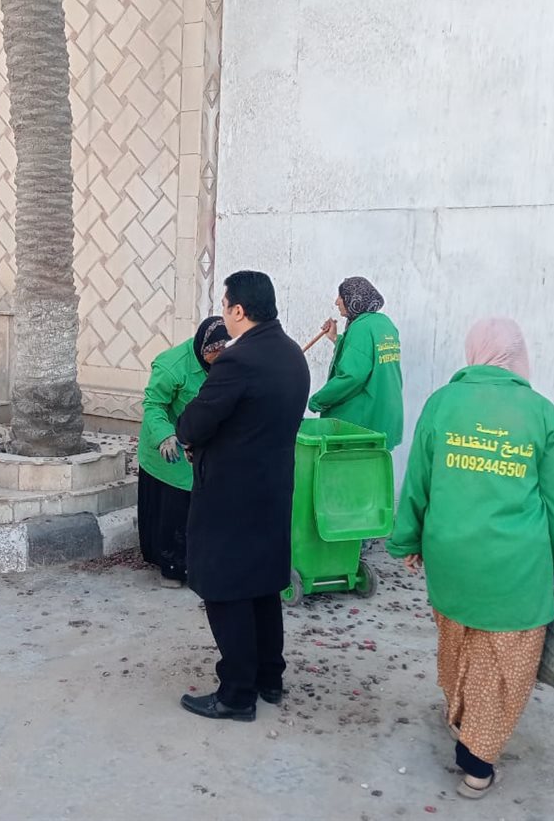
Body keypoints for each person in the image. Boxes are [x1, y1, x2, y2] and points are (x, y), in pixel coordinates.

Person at [385, 317, 554, 799]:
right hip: (516, 568)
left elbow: (417, 482)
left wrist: (408, 540)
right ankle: (477, 764)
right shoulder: (541, 413)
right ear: (517, 355)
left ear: (475, 351)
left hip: (449, 558)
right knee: (504, 662)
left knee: (458, 641)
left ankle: (458, 717)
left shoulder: (442, 403)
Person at [175, 271, 310, 722]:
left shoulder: (238, 360)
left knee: (226, 588)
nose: (223, 312)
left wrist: (191, 437)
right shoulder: (292, 354)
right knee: (263, 585)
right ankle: (269, 678)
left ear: (238, 309)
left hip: (230, 497)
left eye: (224, 304)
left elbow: (195, 423)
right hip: (273, 491)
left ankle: (236, 694)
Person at [137, 317, 231, 588]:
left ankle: (200, 562)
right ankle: (172, 568)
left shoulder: (227, 363)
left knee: (203, 504)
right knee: (176, 508)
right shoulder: (173, 365)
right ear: (203, 346)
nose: (219, 356)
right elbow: (153, 405)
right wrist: (165, 436)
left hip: (201, 444)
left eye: (224, 350)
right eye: (215, 351)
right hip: (169, 447)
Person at [307, 276, 403, 449]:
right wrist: (336, 338)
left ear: (354, 300)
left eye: (341, 296)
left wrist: (318, 400)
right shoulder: (384, 324)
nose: (337, 302)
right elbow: (365, 355)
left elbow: (352, 376)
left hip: (362, 424)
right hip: (385, 417)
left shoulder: (361, 328)